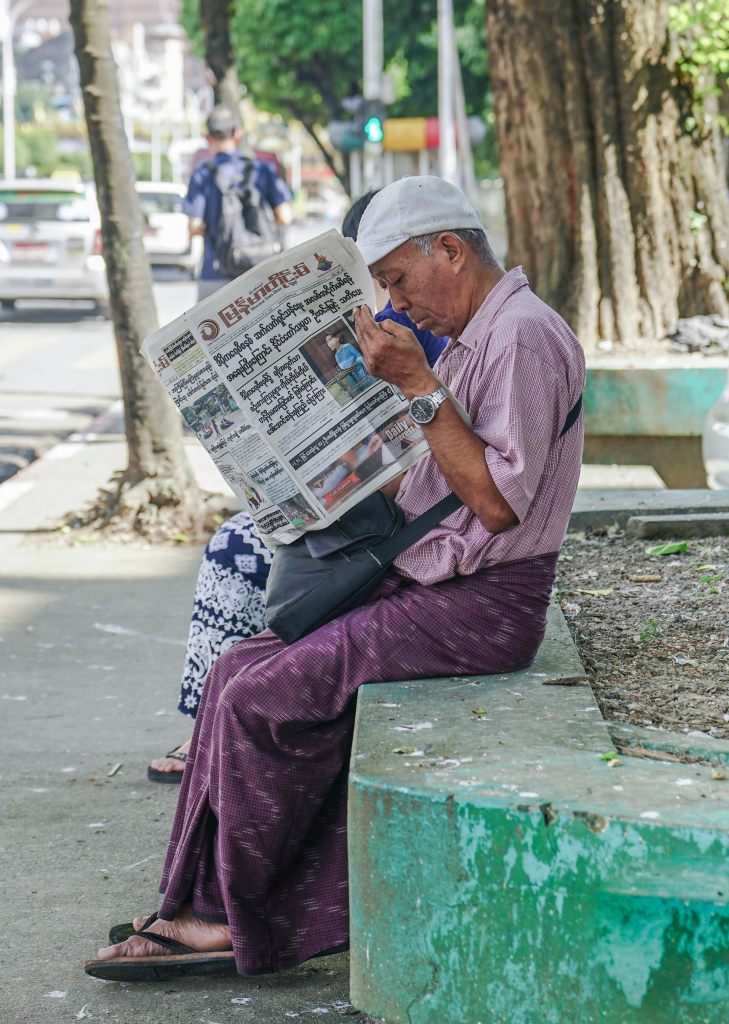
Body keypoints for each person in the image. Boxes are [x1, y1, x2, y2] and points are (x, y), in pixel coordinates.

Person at [92, 176, 586, 981]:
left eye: (396, 279)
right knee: (233, 672)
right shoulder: (483, 333)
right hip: (430, 579)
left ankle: (223, 919)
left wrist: (418, 386)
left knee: (262, 700)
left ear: (451, 251)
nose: (394, 300)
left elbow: (497, 504)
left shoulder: (522, 335)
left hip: (483, 606)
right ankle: (190, 897)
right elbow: (448, 477)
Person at [146, 190, 447, 785]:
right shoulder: (378, 320)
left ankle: (230, 717)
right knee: (236, 544)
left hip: (407, 511)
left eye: (389, 276)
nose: (389, 294)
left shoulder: (432, 326)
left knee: (248, 556)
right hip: (346, 504)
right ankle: (211, 718)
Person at [184, 105, 291, 300]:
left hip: (215, 272)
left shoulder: (202, 174)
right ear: (238, 134)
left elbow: (194, 226)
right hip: (260, 274)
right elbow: (285, 217)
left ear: (208, 137)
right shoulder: (262, 170)